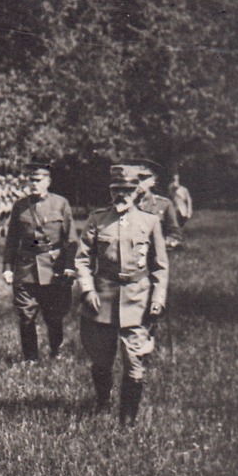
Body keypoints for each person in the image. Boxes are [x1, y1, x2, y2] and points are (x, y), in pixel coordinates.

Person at [73, 165, 169, 425]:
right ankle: (103, 401)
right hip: (102, 297)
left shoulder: (149, 222)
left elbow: (160, 266)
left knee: (134, 359)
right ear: (111, 191)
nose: (122, 195)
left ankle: (128, 420)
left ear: (137, 191)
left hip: (138, 298)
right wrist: (87, 288)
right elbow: (82, 260)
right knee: (101, 360)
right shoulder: (97, 219)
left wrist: (158, 299)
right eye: (117, 190)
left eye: (127, 190)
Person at [1, 162, 75, 363]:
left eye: (39, 180)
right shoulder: (20, 206)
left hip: (53, 267)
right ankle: (31, 358)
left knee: (54, 315)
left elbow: (71, 239)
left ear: (48, 182)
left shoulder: (61, 204)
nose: (34, 184)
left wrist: (69, 265)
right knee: (26, 315)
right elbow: (11, 240)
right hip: (26, 268)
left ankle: (56, 352)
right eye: (31, 180)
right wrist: (8, 268)